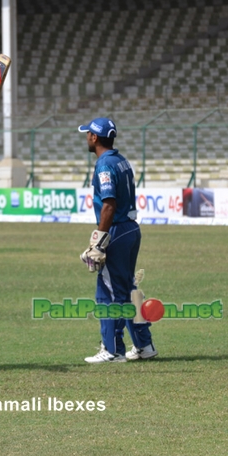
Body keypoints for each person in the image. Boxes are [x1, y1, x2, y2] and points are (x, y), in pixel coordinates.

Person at [78, 117, 157, 363]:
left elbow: (109, 204)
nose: (86, 137)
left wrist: (99, 241)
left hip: (117, 230)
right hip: (130, 228)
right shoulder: (121, 160)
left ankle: (112, 350)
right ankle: (144, 345)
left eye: (88, 133)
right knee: (127, 291)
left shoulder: (104, 165)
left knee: (107, 292)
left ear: (94, 137)